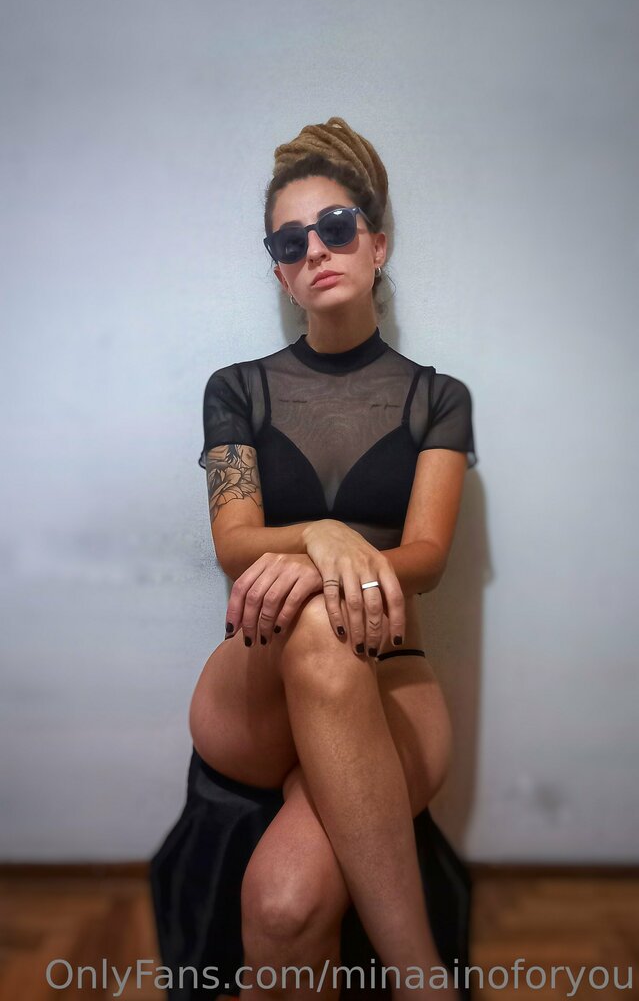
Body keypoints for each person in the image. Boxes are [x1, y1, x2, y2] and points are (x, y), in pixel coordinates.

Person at [150, 116, 478, 1001]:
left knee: (286, 905)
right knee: (313, 630)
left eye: (335, 227)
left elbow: (427, 557)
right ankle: (423, 983)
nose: (315, 251)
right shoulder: (236, 389)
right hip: (254, 693)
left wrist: (317, 559)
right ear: (279, 272)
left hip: (389, 677)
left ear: (377, 243)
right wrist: (325, 535)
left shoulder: (438, 398)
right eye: (289, 242)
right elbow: (234, 546)